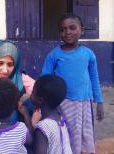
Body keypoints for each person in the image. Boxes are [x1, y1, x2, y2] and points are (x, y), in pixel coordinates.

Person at [42, 13, 104, 154]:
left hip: (84, 103)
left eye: (72, 28)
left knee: (84, 134)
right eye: (63, 29)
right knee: (68, 133)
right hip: (64, 102)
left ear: (81, 30)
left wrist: (99, 101)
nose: (67, 32)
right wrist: (46, 102)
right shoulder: (54, 55)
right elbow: (45, 79)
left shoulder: (88, 54)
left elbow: (94, 78)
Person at [31, 74, 72, 154]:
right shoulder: (61, 119)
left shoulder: (42, 128)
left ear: (40, 100)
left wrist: (32, 123)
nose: (30, 94)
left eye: (33, 92)